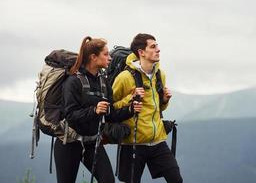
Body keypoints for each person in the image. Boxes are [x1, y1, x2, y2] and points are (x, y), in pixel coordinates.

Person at [54, 36, 142, 183]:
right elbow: (70, 115)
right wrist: (94, 110)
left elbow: (110, 114)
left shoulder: (103, 82)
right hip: (68, 142)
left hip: (92, 142)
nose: (110, 58)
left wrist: (131, 109)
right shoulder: (73, 81)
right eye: (106, 54)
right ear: (93, 57)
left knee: (108, 180)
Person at [112, 33, 183, 183]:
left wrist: (164, 100)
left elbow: (159, 108)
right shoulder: (125, 77)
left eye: (157, 46)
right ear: (141, 52)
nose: (158, 50)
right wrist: (129, 99)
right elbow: (111, 109)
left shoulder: (159, 75)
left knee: (176, 179)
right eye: (153, 46)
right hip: (133, 143)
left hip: (158, 140)